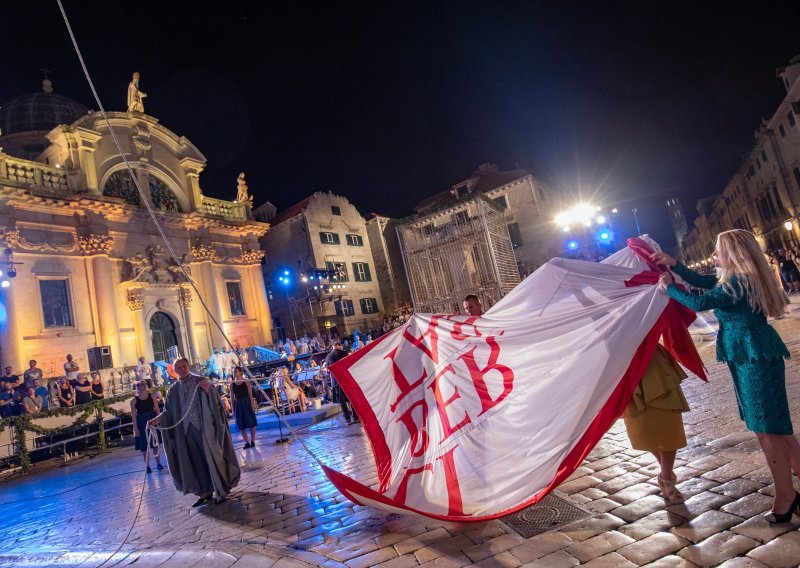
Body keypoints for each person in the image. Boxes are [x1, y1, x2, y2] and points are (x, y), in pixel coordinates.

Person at [653, 229, 800, 523]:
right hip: (748, 350)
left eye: (719, 250)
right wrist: (674, 265)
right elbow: (703, 282)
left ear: (732, 253)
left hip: (751, 352)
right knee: (773, 425)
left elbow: (699, 302)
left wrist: (669, 287)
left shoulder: (739, 282)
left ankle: (786, 494)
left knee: (766, 426)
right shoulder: (738, 279)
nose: (715, 255)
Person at [147, 358, 240, 506]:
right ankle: (205, 491)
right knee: (196, 462)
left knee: (212, 458)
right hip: (186, 432)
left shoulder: (200, 381)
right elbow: (168, 412)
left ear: (188, 366)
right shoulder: (173, 390)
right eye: (179, 368)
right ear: (174, 370)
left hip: (203, 429)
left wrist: (208, 390)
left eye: (184, 366)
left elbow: (216, 400)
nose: (182, 369)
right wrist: (156, 420)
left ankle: (220, 489)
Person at [622, 344, 690, 502]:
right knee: (642, 426)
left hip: (653, 362)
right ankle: (666, 474)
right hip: (623, 365)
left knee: (668, 422)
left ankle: (666, 477)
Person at [130, 381, 164, 473]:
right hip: (142, 422)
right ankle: (147, 466)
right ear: (137, 387)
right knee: (145, 446)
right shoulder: (133, 400)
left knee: (155, 443)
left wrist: (158, 420)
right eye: (141, 385)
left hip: (152, 419)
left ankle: (158, 464)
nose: (144, 386)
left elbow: (157, 409)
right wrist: (136, 429)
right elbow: (133, 416)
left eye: (144, 385)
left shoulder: (152, 396)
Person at [324, 342, 358, 424]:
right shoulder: (344, 353)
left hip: (336, 382)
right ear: (339, 346)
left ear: (332, 346)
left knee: (342, 402)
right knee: (351, 399)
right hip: (346, 379)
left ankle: (348, 420)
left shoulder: (328, 356)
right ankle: (356, 417)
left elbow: (326, 369)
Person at [230, 366, 258, 448]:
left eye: (235, 371)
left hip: (246, 403)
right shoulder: (232, 384)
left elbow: (250, 395)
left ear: (240, 372)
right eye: (233, 371)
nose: (234, 373)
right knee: (241, 424)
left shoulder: (246, 382)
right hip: (238, 404)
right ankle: (246, 442)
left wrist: (252, 405)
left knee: (251, 423)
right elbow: (232, 398)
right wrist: (233, 410)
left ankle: (252, 441)